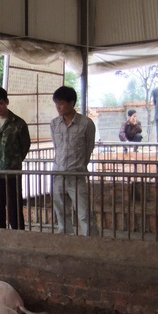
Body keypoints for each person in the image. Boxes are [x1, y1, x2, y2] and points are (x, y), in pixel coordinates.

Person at [50, 86, 98, 236]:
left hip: (77, 175)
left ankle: (92, 243)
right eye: (56, 103)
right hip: (58, 175)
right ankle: (66, 241)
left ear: (71, 103)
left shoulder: (86, 124)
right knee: (61, 213)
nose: (58, 107)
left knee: (84, 213)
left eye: (61, 103)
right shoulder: (54, 124)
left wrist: (79, 165)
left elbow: (88, 148)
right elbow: (57, 147)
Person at [0, 87, 31, 230]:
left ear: (7, 102)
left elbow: (25, 146)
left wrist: (13, 160)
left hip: (12, 173)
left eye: (0, 103)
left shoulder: (18, 123)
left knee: (14, 209)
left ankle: (18, 238)